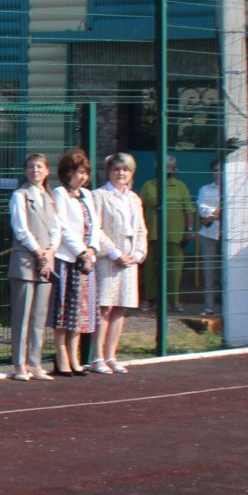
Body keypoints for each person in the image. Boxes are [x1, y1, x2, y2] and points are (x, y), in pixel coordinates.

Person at [48, 148, 112, 377]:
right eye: (78, 172)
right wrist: (81, 251)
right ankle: (61, 357)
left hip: (86, 262)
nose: (82, 177)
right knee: (63, 311)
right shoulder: (59, 193)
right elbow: (61, 225)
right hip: (67, 259)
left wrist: (92, 249)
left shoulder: (87, 195)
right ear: (67, 173)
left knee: (81, 312)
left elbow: (94, 225)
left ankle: (75, 357)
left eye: (85, 173)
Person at [8, 152, 61, 381]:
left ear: (47, 171)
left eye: (39, 167)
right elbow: (21, 229)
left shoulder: (50, 198)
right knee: (23, 315)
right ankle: (20, 364)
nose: (35, 170)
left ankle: (35, 363)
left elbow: (57, 230)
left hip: (45, 262)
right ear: (25, 171)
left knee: (40, 315)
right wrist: (39, 252)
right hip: (25, 262)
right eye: (31, 167)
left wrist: (50, 252)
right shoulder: (19, 196)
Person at [94, 152, 148, 374]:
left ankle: (111, 355)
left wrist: (138, 253)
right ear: (109, 171)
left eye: (125, 169)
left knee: (120, 307)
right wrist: (114, 253)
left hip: (129, 259)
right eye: (117, 169)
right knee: (104, 307)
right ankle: (97, 358)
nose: (121, 173)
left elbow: (141, 229)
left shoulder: (134, 199)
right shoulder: (99, 196)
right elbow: (95, 229)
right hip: (109, 258)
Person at [138, 156, 191, 313]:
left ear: (175, 168)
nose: (168, 168)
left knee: (174, 270)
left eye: (171, 166)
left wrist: (188, 230)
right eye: (164, 165)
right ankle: (150, 300)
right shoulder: (148, 186)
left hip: (175, 236)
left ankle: (174, 301)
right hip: (152, 234)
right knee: (151, 269)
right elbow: (139, 208)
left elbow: (189, 209)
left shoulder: (180, 186)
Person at [197, 157, 222, 315]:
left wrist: (211, 214)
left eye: (221, 169)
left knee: (228, 271)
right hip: (209, 234)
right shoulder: (205, 189)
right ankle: (209, 307)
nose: (219, 173)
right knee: (209, 272)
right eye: (216, 169)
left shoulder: (233, 190)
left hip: (228, 236)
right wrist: (218, 212)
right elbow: (202, 209)